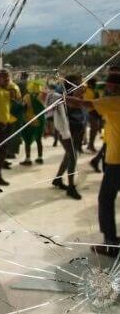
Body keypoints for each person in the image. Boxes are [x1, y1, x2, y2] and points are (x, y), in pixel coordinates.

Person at [75, 70, 120, 255]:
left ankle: (110, 243)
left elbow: (85, 104)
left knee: (106, 198)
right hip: (112, 156)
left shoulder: (114, 101)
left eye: (109, 86)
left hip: (116, 161)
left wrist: (61, 98)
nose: (107, 88)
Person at [48, 75, 83, 200]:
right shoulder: (62, 95)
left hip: (77, 127)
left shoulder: (77, 93)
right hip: (67, 130)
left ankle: (57, 179)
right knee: (72, 157)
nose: (80, 84)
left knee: (68, 155)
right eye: (77, 82)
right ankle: (71, 187)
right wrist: (77, 96)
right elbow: (68, 108)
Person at [20, 80, 45, 165]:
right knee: (39, 140)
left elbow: (24, 108)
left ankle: (28, 159)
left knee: (27, 141)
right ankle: (40, 157)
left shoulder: (27, 97)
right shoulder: (42, 97)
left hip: (29, 121)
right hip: (40, 122)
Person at [83, 78, 101, 152]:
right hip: (89, 111)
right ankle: (90, 145)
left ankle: (90, 144)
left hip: (96, 111)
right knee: (94, 128)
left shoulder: (96, 90)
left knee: (95, 129)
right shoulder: (86, 89)